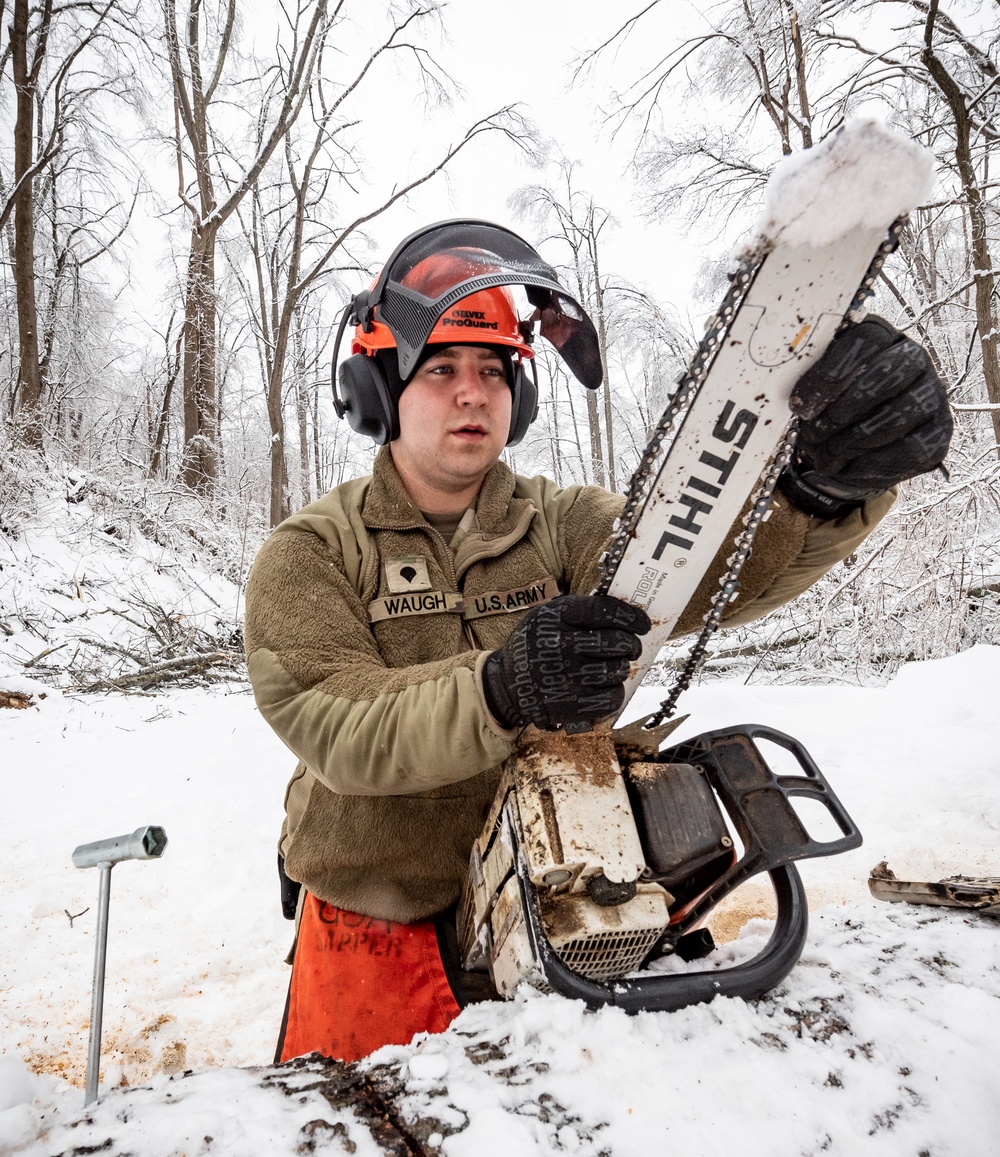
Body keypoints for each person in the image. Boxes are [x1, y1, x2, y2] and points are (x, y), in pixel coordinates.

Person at [244, 219, 952, 1063]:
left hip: (561, 904)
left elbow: (705, 566)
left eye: (492, 370)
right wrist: (503, 688)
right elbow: (338, 725)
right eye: (441, 369)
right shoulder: (311, 553)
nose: (472, 393)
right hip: (379, 922)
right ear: (380, 386)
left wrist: (825, 490)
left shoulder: (564, 523)